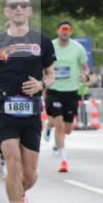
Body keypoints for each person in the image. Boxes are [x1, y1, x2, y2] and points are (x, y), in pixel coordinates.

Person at [0, 0, 55, 203]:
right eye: (13, 5)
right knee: (13, 161)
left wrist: (42, 84)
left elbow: (50, 73)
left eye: (23, 5)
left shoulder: (43, 41)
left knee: (29, 176)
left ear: (30, 11)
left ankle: (21, 197)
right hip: (4, 110)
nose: (18, 8)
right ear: (7, 11)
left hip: (31, 112)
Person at [43, 21, 89, 173]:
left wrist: (84, 75)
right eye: (62, 29)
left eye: (67, 30)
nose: (65, 32)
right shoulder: (50, 46)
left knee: (68, 129)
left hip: (71, 92)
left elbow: (84, 67)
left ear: (70, 32)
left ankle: (48, 126)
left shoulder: (78, 48)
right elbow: (42, 65)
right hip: (54, 90)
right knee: (59, 123)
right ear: (58, 31)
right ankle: (63, 159)